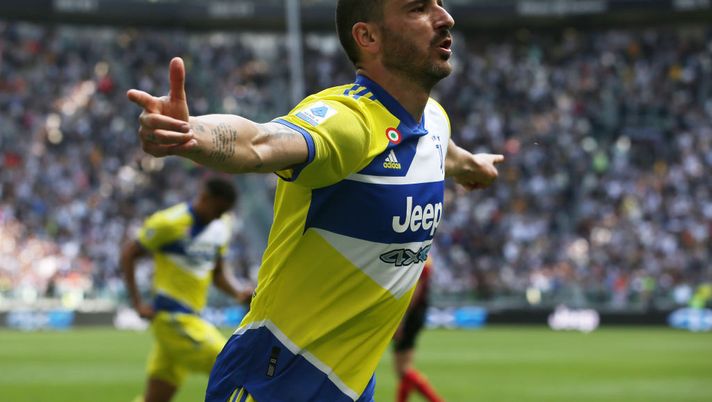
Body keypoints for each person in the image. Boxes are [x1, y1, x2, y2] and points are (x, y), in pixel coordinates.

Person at [127, 0, 504, 400]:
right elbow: (260, 142)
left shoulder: (434, 121)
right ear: (368, 37)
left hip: (349, 384)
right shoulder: (349, 121)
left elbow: (445, 152)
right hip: (276, 376)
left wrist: (473, 166)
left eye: (440, 5)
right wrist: (191, 133)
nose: (445, 18)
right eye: (417, 9)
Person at [120, 177, 253, 402]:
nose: (220, 216)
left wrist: (238, 292)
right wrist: (137, 303)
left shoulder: (221, 228)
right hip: (173, 319)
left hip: (190, 320)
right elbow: (129, 253)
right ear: (205, 198)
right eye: (219, 209)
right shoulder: (168, 223)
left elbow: (217, 274)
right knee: (231, 365)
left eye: (225, 212)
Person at [392, 256, 443, 402]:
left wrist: (402, 318)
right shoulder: (427, 258)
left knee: (403, 369)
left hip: (411, 315)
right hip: (417, 313)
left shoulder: (420, 258)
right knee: (404, 369)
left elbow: (416, 291)